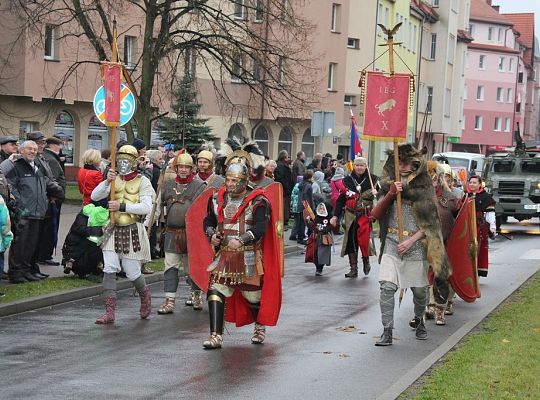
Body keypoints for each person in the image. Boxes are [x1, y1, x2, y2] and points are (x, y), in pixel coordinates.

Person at [370, 144, 450, 346]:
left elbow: (431, 224)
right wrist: (389, 194)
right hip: (391, 243)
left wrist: (411, 240)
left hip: (414, 245)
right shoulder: (388, 186)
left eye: (408, 163)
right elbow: (374, 215)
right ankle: (387, 331)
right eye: (400, 163)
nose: (404, 167)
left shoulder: (424, 189)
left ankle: (420, 320)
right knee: (387, 287)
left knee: (420, 291)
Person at [201, 156, 282, 349]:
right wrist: (211, 234)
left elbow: (262, 227)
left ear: (244, 181)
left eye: (234, 181)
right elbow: (208, 221)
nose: (229, 184)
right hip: (224, 254)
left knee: (252, 296)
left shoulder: (258, 201)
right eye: (228, 180)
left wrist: (243, 239)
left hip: (248, 256)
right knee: (215, 290)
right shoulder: (216, 199)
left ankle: (259, 325)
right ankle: (215, 336)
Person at [91, 145, 155, 324]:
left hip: (132, 229)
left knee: (132, 272)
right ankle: (109, 313)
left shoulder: (143, 181)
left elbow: (146, 207)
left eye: (126, 161)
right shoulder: (113, 178)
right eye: (120, 161)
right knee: (109, 268)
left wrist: (123, 206)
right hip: (112, 229)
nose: (122, 164)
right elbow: (94, 196)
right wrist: (106, 182)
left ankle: (145, 296)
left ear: (134, 163)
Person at [6, 140, 63, 283]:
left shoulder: (37, 166)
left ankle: (26, 270)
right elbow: (11, 188)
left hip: (38, 213)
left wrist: (57, 190)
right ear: (21, 150)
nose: (32, 151)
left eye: (34, 149)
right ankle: (16, 272)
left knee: (31, 245)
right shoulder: (16, 166)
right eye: (29, 149)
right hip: (23, 213)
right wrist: (20, 207)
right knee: (20, 245)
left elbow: (45, 184)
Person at [157, 151, 206, 314]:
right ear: (176, 168)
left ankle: (196, 295)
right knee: (170, 267)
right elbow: (158, 207)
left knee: (192, 269)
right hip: (171, 233)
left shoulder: (199, 186)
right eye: (180, 167)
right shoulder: (167, 184)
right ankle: (169, 300)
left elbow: (203, 211)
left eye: (187, 167)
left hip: (192, 234)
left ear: (192, 169)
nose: (183, 170)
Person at [424, 161, 460, 325]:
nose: (431, 181)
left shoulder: (451, 198)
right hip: (424, 243)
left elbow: (461, 221)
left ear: (439, 178)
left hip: (445, 244)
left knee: (441, 277)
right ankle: (429, 306)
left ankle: (440, 310)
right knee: (426, 276)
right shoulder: (421, 197)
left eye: (433, 178)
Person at [331, 157, 378, 278]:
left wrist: (376, 194)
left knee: (363, 240)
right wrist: (335, 216)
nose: (359, 168)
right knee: (351, 242)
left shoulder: (373, 180)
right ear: (354, 166)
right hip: (350, 214)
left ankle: (366, 261)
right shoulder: (347, 180)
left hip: (365, 214)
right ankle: (353, 268)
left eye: (362, 165)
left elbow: (380, 199)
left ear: (366, 166)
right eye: (357, 165)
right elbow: (341, 200)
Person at [466, 175, 496, 278]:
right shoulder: (465, 195)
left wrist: (492, 226)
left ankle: (475, 273)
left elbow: (490, 214)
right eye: (470, 182)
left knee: (477, 249)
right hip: (466, 227)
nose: (472, 184)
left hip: (479, 228)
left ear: (479, 184)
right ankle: (466, 271)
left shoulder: (486, 197)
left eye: (474, 183)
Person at [306, 202, 333, 276]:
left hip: (324, 238)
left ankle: (320, 268)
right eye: (320, 208)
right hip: (315, 238)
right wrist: (308, 222)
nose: (321, 210)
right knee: (315, 254)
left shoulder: (329, 218)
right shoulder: (316, 217)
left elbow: (330, 227)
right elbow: (312, 226)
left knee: (322, 255)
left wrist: (324, 229)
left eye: (323, 208)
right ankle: (317, 268)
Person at [274, 150, 293, 223]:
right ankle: (284, 219)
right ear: (284, 157)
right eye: (287, 157)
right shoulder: (281, 166)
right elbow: (281, 178)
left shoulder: (282, 165)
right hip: (284, 189)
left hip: (285, 189)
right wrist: (287, 187)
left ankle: (284, 219)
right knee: (283, 205)